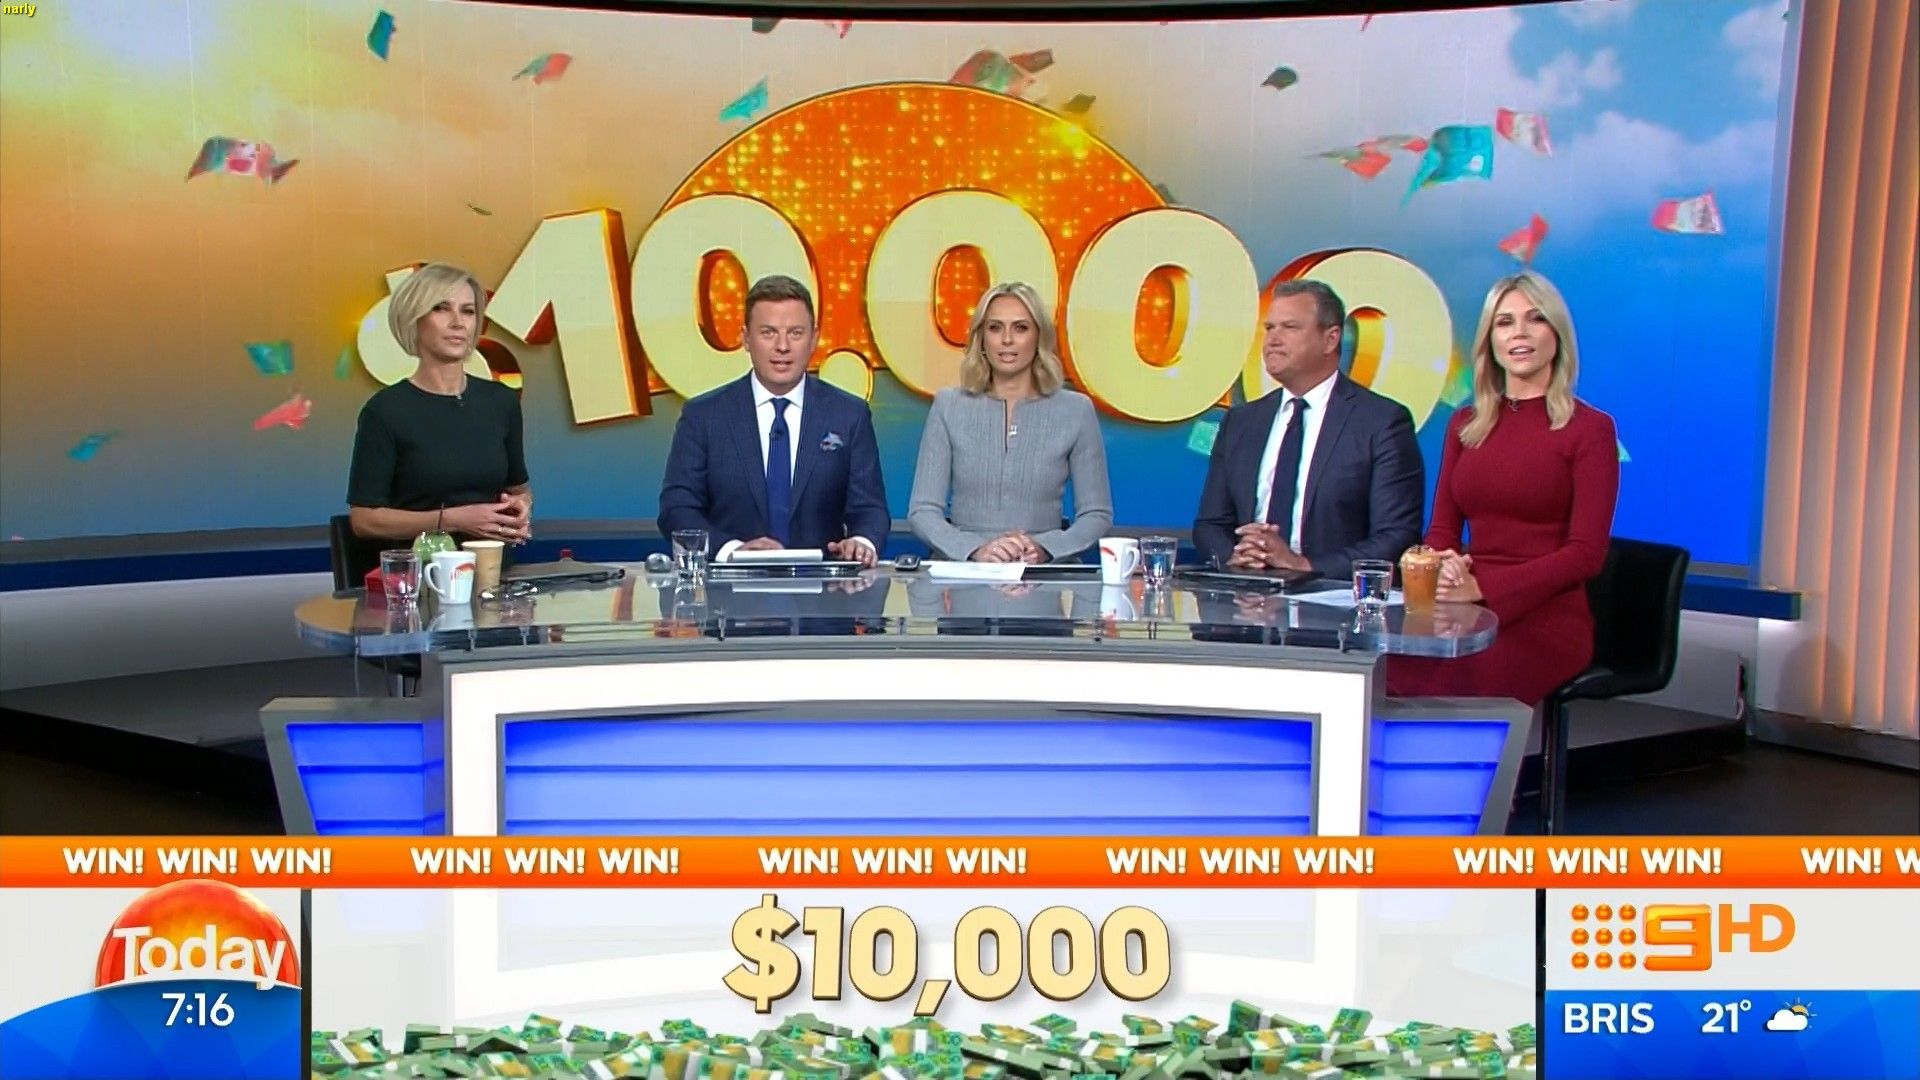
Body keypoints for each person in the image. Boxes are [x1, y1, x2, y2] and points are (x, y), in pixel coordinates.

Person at [1387, 271, 1619, 706]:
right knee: (1386, 666)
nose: (1520, 333)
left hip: (1545, 615)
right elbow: (1442, 529)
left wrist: (1484, 589)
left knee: (1457, 681)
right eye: (1505, 322)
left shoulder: (1590, 430)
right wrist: (1445, 566)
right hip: (1463, 603)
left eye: (1536, 319)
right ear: (1490, 339)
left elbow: (1586, 554)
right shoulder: (1465, 424)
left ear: (1557, 334)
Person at [1192, 280, 1423, 580]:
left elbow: (1397, 537)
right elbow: (1210, 524)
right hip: (1246, 595)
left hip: (1333, 598)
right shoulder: (1241, 422)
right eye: (1269, 328)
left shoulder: (1381, 422)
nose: (1272, 340)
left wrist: (1302, 565)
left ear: (1330, 339)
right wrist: (1234, 556)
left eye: (1289, 327)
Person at [658, 275, 888, 565]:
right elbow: (677, 508)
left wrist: (861, 542)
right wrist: (733, 551)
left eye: (795, 333)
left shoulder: (849, 414)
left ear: (814, 338)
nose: (782, 346)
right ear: (746, 339)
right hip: (729, 587)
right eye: (768, 333)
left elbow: (870, 508)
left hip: (822, 588)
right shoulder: (704, 417)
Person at [907, 282, 1113, 562]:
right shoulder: (948, 406)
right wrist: (976, 550)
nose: (1007, 339)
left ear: (1039, 337)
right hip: (964, 572)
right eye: (995, 328)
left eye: (1020, 328)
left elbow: (1097, 514)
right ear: (981, 338)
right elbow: (923, 511)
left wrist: (1046, 548)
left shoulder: (1076, 410)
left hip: (1042, 573)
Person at [347, 264, 531, 545]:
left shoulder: (500, 402)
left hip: (493, 563)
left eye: (468, 311)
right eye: (441, 309)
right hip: (421, 566)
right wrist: (452, 520)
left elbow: (518, 489)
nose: (458, 322)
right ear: (414, 320)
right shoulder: (385, 411)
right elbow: (364, 520)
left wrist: (522, 505)